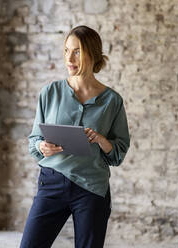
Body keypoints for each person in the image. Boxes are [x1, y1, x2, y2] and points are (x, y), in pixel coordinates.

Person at [19, 25, 130, 248]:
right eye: (67, 50)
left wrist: (100, 139)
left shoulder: (112, 101)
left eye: (77, 51)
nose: (69, 58)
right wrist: (42, 146)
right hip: (51, 182)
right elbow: (34, 140)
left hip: (91, 189)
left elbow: (117, 153)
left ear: (93, 54)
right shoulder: (50, 92)